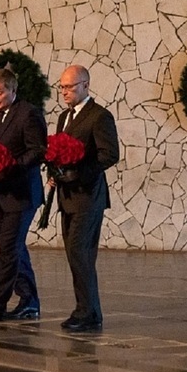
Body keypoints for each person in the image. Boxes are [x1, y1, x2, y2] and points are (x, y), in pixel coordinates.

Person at [0, 67, 47, 322]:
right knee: (12, 248)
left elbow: (37, 151)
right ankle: (30, 301)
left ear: (13, 91)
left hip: (21, 193)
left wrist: (11, 165)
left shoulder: (28, 114)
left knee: (9, 250)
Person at [50, 65, 119, 332]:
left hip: (88, 196)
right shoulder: (63, 118)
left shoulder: (99, 116)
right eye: (62, 87)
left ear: (86, 85)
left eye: (70, 87)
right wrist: (56, 170)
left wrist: (77, 173)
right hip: (67, 195)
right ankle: (90, 311)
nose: (64, 92)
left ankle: (86, 312)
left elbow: (109, 154)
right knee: (76, 253)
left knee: (80, 251)